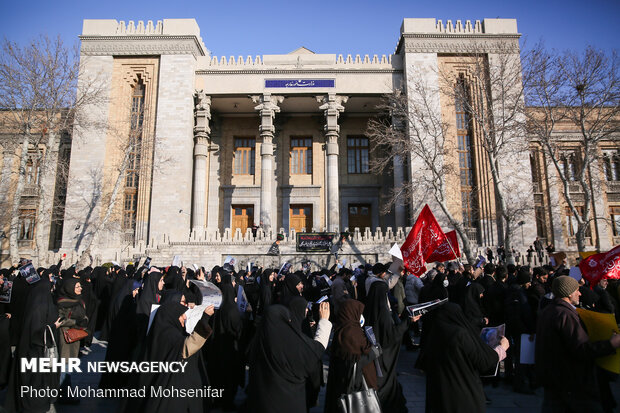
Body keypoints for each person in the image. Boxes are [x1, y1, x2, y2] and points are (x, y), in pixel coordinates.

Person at [536, 276, 620, 412]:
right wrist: (611, 344)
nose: (580, 293)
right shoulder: (565, 314)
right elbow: (581, 348)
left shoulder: (550, 310)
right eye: (577, 290)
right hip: (571, 383)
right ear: (569, 293)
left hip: (556, 380)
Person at [123, 301, 215, 413]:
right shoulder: (168, 334)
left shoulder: (160, 330)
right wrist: (205, 318)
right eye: (181, 315)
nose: (184, 318)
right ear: (173, 316)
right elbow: (187, 347)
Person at [417, 302, 509, 413]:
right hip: (463, 396)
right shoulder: (460, 335)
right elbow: (484, 361)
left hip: (441, 397)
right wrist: (501, 348)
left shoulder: (436, 333)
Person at [324, 299, 381, 413]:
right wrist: (374, 351)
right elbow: (355, 362)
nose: (361, 316)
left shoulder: (341, 330)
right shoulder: (352, 333)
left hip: (342, 383)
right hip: (357, 386)